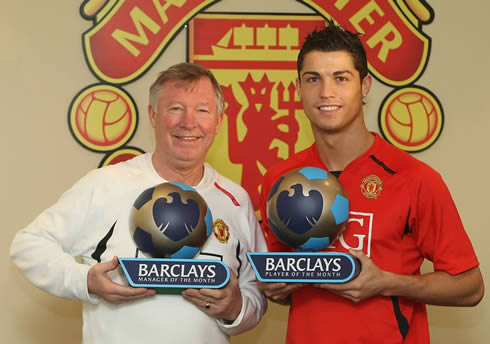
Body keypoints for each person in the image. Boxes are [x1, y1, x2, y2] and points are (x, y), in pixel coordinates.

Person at [258, 20, 484, 343]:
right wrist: (276, 287)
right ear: (298, 88)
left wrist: (386, 282)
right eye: (313, 79)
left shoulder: (414, 178)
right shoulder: (280, 180)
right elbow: (282, 288)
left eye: (341, 78)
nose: (326, 92)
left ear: (365, 85)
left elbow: (471, 286)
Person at [10, 62, 267, 344]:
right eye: (175, 108)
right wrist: (85, 282)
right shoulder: (106, 184)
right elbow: (27, 245)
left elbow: (255, 291)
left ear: (218, 121)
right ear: (153, 115)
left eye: (202, 110)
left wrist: (235, 309)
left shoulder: (235, 200)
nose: (188, 122)